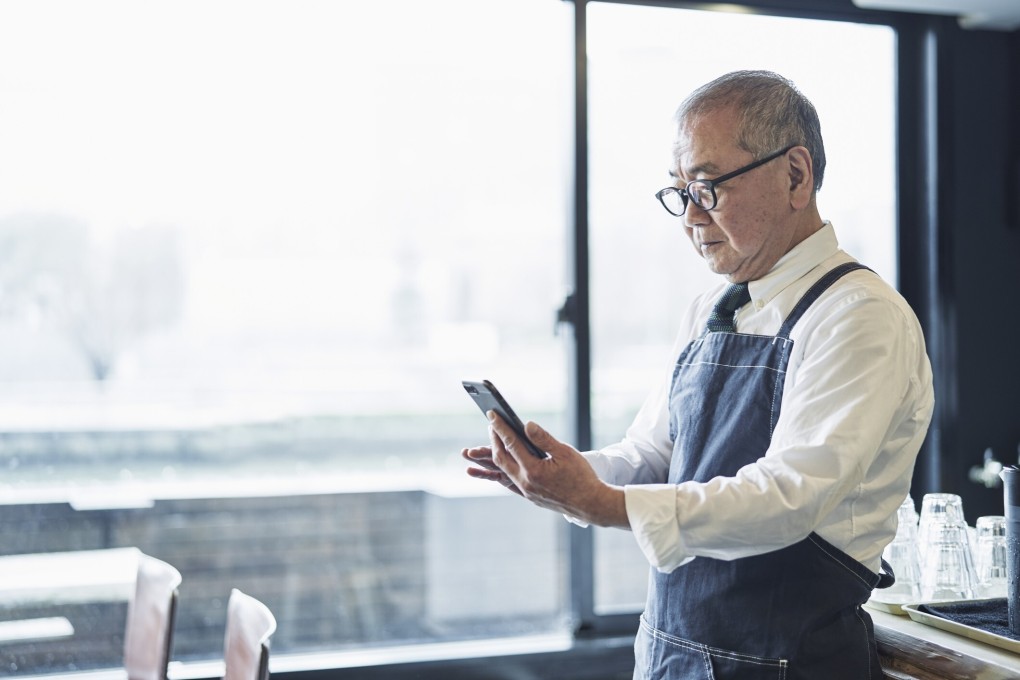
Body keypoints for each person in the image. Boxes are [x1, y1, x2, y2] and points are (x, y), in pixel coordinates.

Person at [462, 70, 934, 679]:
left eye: (707, 187)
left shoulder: (860, 315)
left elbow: (790, 496)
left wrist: (607, 504)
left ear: (796, 175)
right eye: (678, 191)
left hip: (788, 663)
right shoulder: (711, 310)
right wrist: (564, 477)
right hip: (671, 652)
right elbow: (654, 455)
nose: (689, 215)